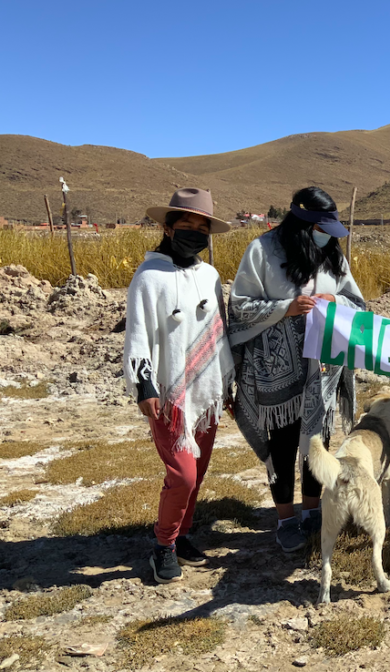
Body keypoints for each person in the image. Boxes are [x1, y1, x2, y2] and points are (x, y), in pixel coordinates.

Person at [230, 186, 365, 553]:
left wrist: (332, 299)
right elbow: (239, 306)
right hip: (276, 368)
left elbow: (357, 302)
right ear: (302, 225)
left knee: (317, 442)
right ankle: (286, 519)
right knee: (284, 443)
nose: (326, 237)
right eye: (320, 230)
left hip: (323, 369)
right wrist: (285, 308)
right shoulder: (263, 251)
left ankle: (311, 511)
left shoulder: (332, 254)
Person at [124, 188, 234, 583]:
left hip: (206, 391)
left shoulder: (209, 276)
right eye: (187, 225)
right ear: (168, 228)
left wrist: (226, 382)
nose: (195, 233)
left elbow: (218, 331)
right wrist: (144, 385)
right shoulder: (148, 278)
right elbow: (138, 335)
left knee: (197, 471)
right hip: (169, 394)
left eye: (202, 228)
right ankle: (164, 545)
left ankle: (182, 534)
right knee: (183, 474)